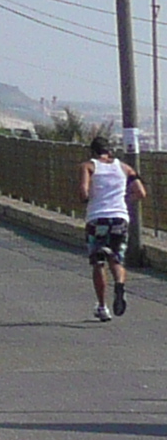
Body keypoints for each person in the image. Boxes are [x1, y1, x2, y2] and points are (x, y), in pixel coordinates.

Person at [84, 134, 144, 322]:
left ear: (93, 152)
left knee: (98, 262)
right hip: (119, 218)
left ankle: (102, 307)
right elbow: (141, 192)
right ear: (109, 151)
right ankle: (119, 284)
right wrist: (124, 201)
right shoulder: (125, 168)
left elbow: (83, 192)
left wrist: (89, 199)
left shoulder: (89, 167)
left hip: (97, 219)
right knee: (116, 259)